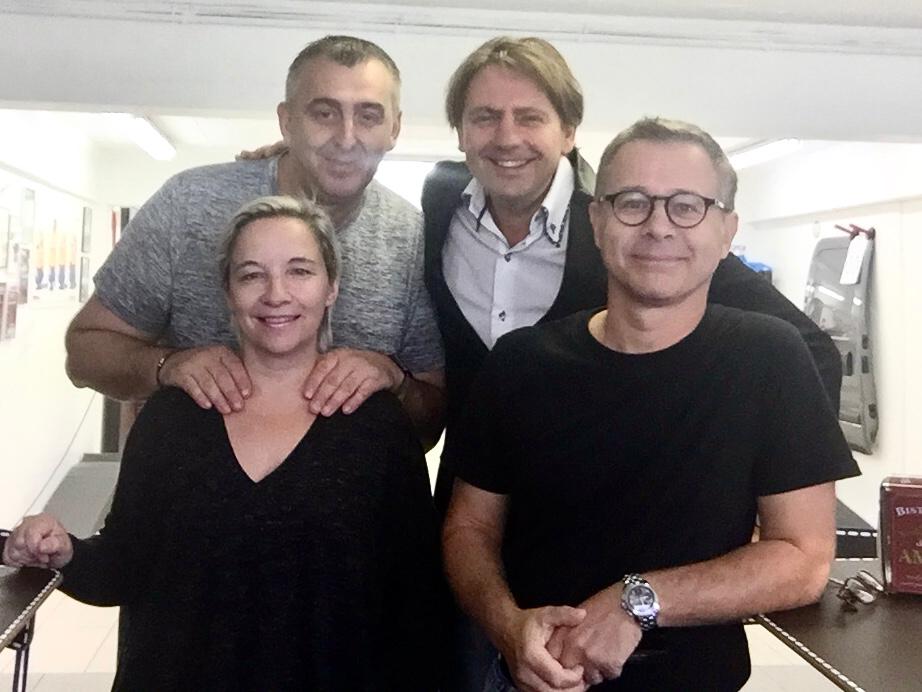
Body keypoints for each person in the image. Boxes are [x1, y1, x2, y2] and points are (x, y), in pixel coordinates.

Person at [441, 118, 860, 692]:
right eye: (632, 203)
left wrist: (636, 602)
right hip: (527, 680)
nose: (659, 227)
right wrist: (508, 626)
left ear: (726, 231)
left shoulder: (770, 360)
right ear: (596, 222)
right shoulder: (520, 364)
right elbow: (468, 528)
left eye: (687, 206)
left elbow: (804, 558)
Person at [3, 196, 442, 691]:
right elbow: (125, 566)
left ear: (331, 288)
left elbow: (415, 602)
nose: (276, 294)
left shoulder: (377, 425)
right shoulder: (173, 416)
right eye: (252, 275)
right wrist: (62, 551)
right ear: (228, 292)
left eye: (299, 271)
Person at [421, 36, 843, 513]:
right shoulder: (439, 206)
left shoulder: (627, 226)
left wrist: (761, 496)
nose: (507, 138)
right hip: (467, 505)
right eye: (484, 117)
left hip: (596, 508)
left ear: (568, 132)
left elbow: (814, 353)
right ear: (460, 132)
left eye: (530, 117)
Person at [64, 35, 445, 449]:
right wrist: (165, 365)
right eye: (324, 113)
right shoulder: (188, 205)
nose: (346, 137)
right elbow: (84, 354)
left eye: (369, 116)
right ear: (287, 121)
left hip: (355, 488)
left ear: (394, 128)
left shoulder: (412, 237)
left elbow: (430, 421)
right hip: (187, 482)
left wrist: (394, 381)